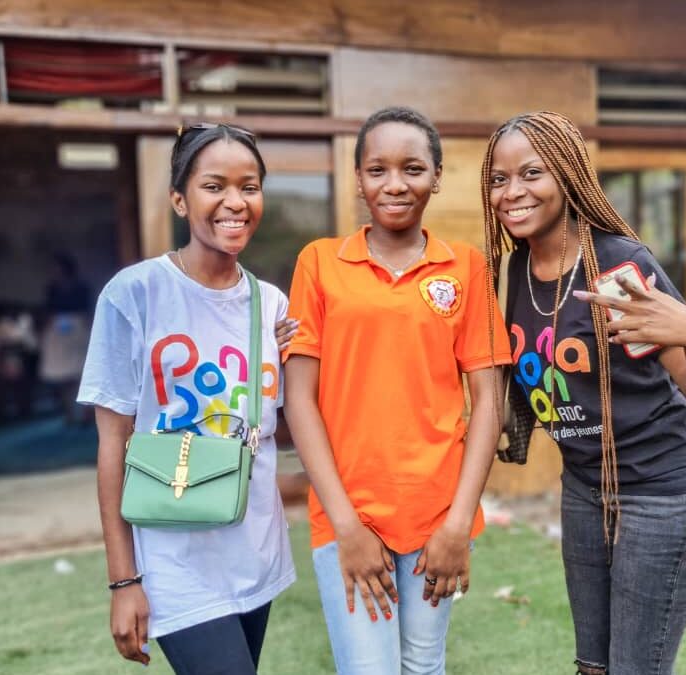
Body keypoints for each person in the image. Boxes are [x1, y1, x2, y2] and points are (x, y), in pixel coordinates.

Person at [480, 111, 686, 675]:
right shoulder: (515, 269)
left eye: (532, 174)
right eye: (499, 179)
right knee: (593, 666)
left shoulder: (618, 265)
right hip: (586, 486)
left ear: (568, 175)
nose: (513, 192)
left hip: (664, 490)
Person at [283, 106, 511, 675]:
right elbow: (300, 399)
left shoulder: (466, 267)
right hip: (347, 516)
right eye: (377, 169)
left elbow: (488, 400)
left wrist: (458, 524)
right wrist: (348, 527)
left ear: (436, 175)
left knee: (423, 665)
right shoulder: (318, 263)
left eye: (412, 168)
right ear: (358, 179)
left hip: (438, 518)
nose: (395, 184)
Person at [77, 122, 295, 674]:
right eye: (214, 185)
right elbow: (113, 444)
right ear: (180, 199)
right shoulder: (135, 294)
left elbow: (276, 429)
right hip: (174, 560)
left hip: (255, 548)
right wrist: (124, 580)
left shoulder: (271, 306)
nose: (235, 202)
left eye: (249, 186)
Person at [40, 253, 91, 424]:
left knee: (81, 374)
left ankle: (85, 413)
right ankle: (69, 412)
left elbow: (87, 310)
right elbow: (48, 310)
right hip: (57, 330)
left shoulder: (82, 288)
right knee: (62, 376)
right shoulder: (52, 289)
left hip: (78, 329)